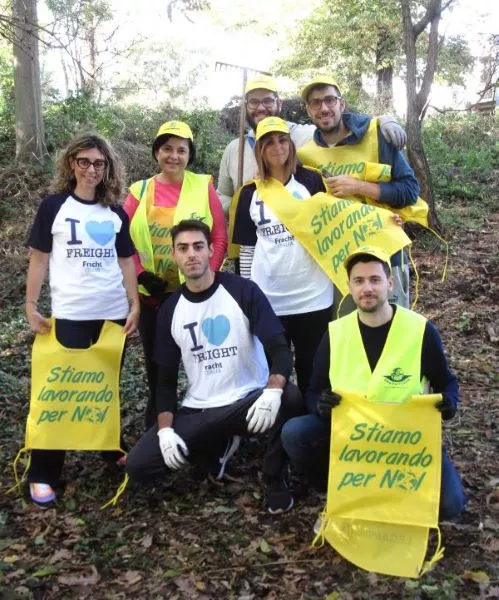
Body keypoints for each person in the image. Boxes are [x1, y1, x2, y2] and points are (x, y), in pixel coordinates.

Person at [126, 219, 303, 513]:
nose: (191, 254)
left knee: (291, 397)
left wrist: (272, 391)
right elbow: (166, 382)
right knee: (138, 466)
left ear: (210, 250)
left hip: (247, 401)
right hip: (201, 409)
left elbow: (281, 350)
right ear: (174, 256)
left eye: (198, 246)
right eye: (183, 248)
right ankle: (217, 445)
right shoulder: (169, 309)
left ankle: (274, 477)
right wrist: (165, 431)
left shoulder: (244, 291)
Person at [281, 245, 466, 521]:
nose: (367, 288)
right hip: (354, 440)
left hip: (407, 441)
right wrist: (320, 405)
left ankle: (391, 490)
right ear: (349, 287)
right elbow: (314, 390)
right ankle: (334, 481)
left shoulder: (420, 330)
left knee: (450, 506)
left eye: (375, 280)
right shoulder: (335, 333)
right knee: (294, 433)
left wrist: (449, 402)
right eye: (359, 281)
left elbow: (447, 382)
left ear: (390, 284)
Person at [25, 132, 140, 507]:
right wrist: (30, 305)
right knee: (60, 392)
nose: (92, 169)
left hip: (111, 315)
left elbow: (126, 262)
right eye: (84, 161)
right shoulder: (54, 206)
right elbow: (40, 258)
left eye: (99, 163)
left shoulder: (115, 212)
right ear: (71, 163)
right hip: (71, 314)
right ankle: (43, 471)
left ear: (108, 168)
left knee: (105, 386)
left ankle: (108, 446)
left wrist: (134, 303)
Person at [124, 121, 227, 429]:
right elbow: (122, 239)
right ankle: (156, 423)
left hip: (193, 292)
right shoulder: (139, 191)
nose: (174, 156)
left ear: (189, 154)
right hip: (153, 295)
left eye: (181, 150)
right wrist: (140, 275)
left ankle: (204, 421)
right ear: (157, 152)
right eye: (167, 148)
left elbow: (219, 237)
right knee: (159, 364)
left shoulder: (202, 185)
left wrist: (206, 277)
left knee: (202, 359)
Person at [298, 76, 420, 310]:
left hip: (386, 257)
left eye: (330, 100)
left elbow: (410, 190)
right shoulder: (306, 156)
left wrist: (359, 186)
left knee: (391, 332)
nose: (323, 108)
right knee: (349, 335)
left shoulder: (376, 137)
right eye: (315, 103)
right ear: (308, 110)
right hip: (338, 264)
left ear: (342, 104)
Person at [232, 116, 332, 396]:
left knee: (313, 370)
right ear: (260, 150)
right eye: (269, 142)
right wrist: (248, 298)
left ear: (291, 144)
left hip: (314, 296)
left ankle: (311, 428)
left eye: (283, 139)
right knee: (272, 371)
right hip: (269, 298)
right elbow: (248, 249)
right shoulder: (249, 193)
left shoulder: (311, 181)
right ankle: (277, 431)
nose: (277, 147)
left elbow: (334, 227)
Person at [217, 74, 406, 215]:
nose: (260, 107)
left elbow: (336, 122)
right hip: (250, 242)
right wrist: (243, 206)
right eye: (254, 102)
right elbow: (222, 195)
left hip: (301, 241)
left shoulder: (305, 136)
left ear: (279, 104)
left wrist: (382, 120)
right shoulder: (235, 149)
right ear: (246, 107)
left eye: (267, 100)